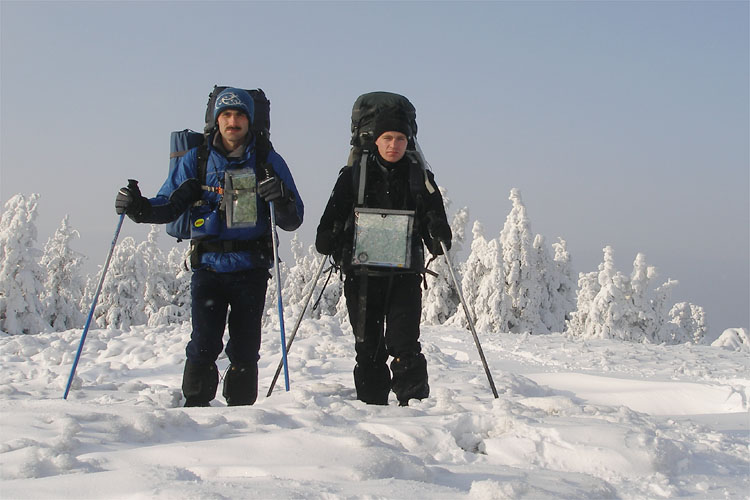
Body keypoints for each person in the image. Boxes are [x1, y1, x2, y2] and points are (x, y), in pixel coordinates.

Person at [115, 88, 303, 407]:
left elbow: (293, 218)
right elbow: (169, 203)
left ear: (249, 120)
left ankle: (241, 411)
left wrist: (281, 196)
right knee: (203, 343)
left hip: (250, 270)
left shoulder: (267, 160)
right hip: (209, 268)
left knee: (245, 347)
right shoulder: (197, 159)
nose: (233, 121)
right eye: (226, 115)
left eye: (239, 115)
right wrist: (139, 208)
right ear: (217, 120)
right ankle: (195, 409)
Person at [315, 105, 452, 406]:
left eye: (400, 138)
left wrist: (438, 233)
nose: (394, 145)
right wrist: (331, 236)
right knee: (369, 348)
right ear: (375, 140)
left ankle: (413, 409)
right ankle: (372, 410)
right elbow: (327, 225)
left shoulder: (420, 178)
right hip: (363, 278)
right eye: (387, 137)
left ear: (409, 142)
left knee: (405, 346)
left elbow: (437, 226)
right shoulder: (353, 177)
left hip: (403, 277)